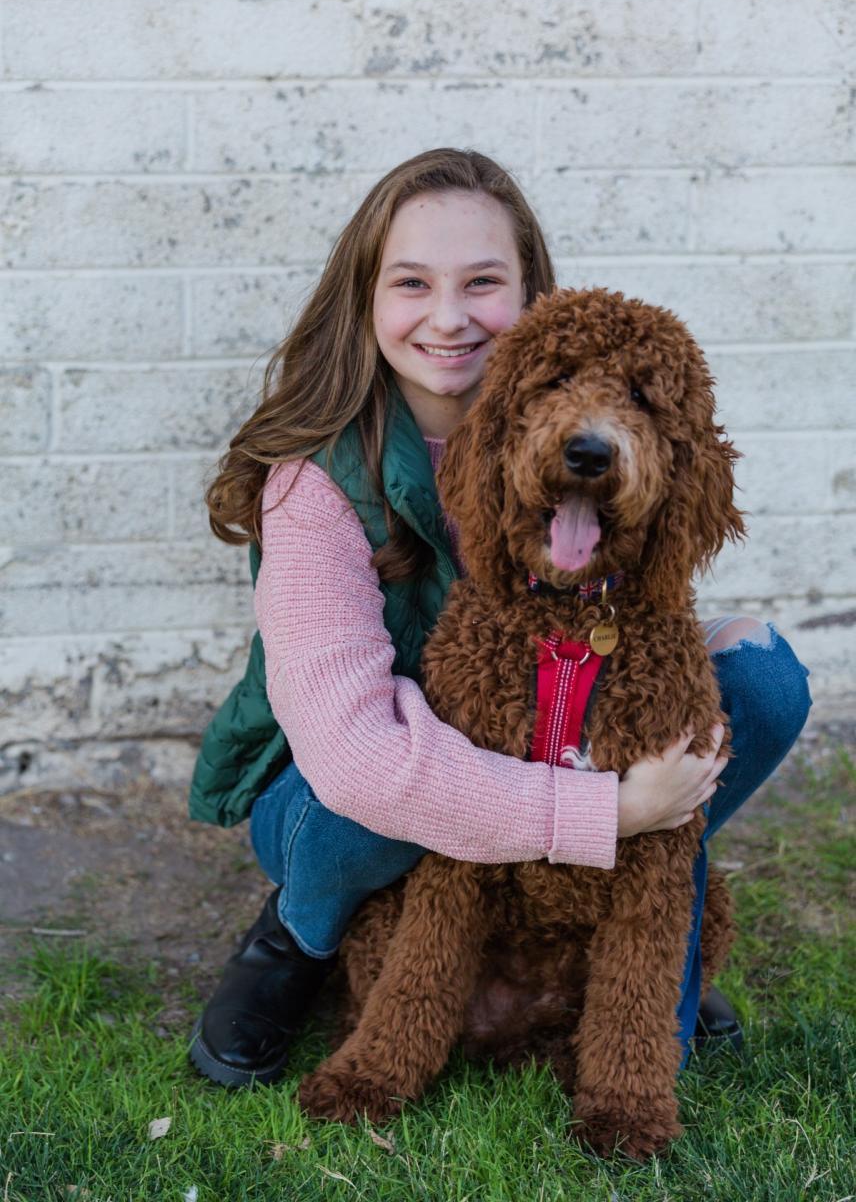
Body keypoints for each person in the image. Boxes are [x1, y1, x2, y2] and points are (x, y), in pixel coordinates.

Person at [188, 148, 811, 1088]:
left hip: (538, 727)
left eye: (482, 282)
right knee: (369, 807)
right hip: (349, 784)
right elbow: (357, 758)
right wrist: (612, 811)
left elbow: (637, 594)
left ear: (529, 293)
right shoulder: (313, 482)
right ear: (366, 298)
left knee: (758, 680)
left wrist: (703, 669)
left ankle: (615, 936)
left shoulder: (590, 417)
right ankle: (299, 935)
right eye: (412, 283)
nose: (448, 318)